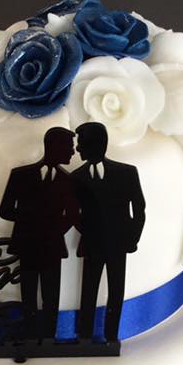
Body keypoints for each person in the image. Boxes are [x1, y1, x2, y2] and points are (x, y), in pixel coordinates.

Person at [0, 127, 76, 340]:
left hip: (52, 247)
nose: (72, 152)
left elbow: (72, 215)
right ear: (54, 146)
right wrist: (33, 222)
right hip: (27, 245)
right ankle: (30, 336)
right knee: (29, 294)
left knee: (52, 296)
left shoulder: (69, 181)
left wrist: (53, 230)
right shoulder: (20, 175)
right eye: (69, 147)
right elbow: (5, 210)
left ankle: (49, 337)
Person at [72, 122, 146, 343]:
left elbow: (139, 209)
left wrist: (132, 239)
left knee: (116, 291)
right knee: (88, 291)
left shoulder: (127, 173)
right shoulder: (76, 177)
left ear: (95, 144)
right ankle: (84, 335)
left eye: (81, 143)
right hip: (92, 245)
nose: (77, 149)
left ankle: (112, 335)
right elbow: (72, 212)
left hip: (118, 245)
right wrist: (88, 230)